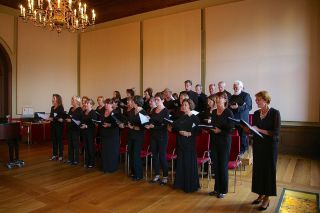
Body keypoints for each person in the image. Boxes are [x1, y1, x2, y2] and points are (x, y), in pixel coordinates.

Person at [251, 91, 281, 211]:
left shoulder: (274, 113)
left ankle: (267, 198)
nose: (256, 102)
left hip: (270, 147)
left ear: (265, 100)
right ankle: (260, 194)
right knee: (258, 170)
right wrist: (248, 129)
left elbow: (275, 132)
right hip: (258, 146)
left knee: (268, 171)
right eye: (256, 99)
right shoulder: (256, 113)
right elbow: (254, 129)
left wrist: (259, 129)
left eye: (258, 99)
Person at [170, 99, 200, 193]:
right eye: (183, 105)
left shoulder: (194, 118)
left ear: (190, 106)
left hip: (189, 144)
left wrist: (189, 133)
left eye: (185, 105)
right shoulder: (182, 117)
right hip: (180, 143)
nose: (183, 106)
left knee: (188, 164)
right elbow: (175, 127)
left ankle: (189, 185)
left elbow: (198, 131)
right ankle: (180, 184)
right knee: (180, 163)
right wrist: (178, 131)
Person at [209, 92, 234, 198]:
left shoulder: (228, 112)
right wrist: (209, 129)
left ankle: (223, 190)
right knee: (216, 166)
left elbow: (231, 129)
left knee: (223, 166)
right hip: (214, 141)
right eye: (217, 98)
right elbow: (212, 125)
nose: (218, 100)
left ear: (225, 100)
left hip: (224, 142)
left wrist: (220, 131)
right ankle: (216, 189)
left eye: (220, 98)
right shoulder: (214, 112)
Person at [145, 92, 170, 185]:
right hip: (153, 135)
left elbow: (164, 125)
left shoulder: (165, 111)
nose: (156, 101)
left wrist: (153, 126)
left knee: (162, 156)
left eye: (158, 100)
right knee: (154, 155)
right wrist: (148, 122)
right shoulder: (154, 109)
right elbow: (152, 121)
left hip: (162, 136)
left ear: (163, 100)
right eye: (155, 100)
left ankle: (165, 176)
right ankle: (157, 175)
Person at [100, 98, 123, 173]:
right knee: (105, 151)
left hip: (112, 135)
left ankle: (112, 167)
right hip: (104, 133)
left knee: (112, 151)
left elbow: (118, 123)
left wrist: (109, 125)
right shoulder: (102, 111)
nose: (106, 105)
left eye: (108, 103)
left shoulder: (115, 112)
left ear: (111, 104)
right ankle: (105, 167)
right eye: (105, 103)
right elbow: (101, 121)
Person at [229, 80, 252, 154]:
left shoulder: (246, 95)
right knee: (233, 136)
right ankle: (234, 150)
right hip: (233, 120)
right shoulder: (232, 97)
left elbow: (249, 107)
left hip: (242, 120)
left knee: (242, 136)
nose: (235, 88)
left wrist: (238, 108)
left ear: (241, 87)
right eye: (234, 87)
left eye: (237, 86)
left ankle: (243, 151)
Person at [127, 95, 147, 181]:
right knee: (131, 154)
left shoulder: (143, 112)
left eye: (132, 101)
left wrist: (134, 127)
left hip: (138, 136)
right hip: (131, 135)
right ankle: (133, 172)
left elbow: (145, 126)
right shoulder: (132, 111)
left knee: (136, 155)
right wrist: (128, 124)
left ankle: (138, 174)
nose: (130, 102)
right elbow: (129, 120)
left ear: (135, 102)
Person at [65, 96, 83, 165]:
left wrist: (71, 120)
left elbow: (79, 120)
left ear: (77, 101)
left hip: (76, 129)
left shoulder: (79, 109)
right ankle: (70, 159)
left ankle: (77, 160)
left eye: (73, 100)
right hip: (69, 129)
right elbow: (69, 116)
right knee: (70, 145)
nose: (72, 101)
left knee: (75, 145)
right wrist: (67, 118)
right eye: (72, 99)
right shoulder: (71, 108)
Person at [80, 99, 97, 168]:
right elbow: (82, 120)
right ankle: (86, 161)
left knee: (90, 147)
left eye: (87, 103)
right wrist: (81, 124)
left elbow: (94, 124)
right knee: (86, 147)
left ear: (91, 105)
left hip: (90, 132)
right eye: (86, 103)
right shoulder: (84, 111)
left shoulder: (93, 112)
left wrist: (86, 126)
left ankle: (91, 162)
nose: (86, 104)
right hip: (84, 132)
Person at [48, 94, 65, 161]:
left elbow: (62, 117)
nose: (52, 99)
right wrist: (48, 118)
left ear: (57, 99)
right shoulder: (52, 107)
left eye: (54, 98)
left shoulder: (60, 107)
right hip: (53, 126)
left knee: (59, 141)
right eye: (53, 98)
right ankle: (54, 155)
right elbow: (51, 116)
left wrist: (55, 118)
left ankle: (61, 155)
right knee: (54, 141)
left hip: (59, 127)